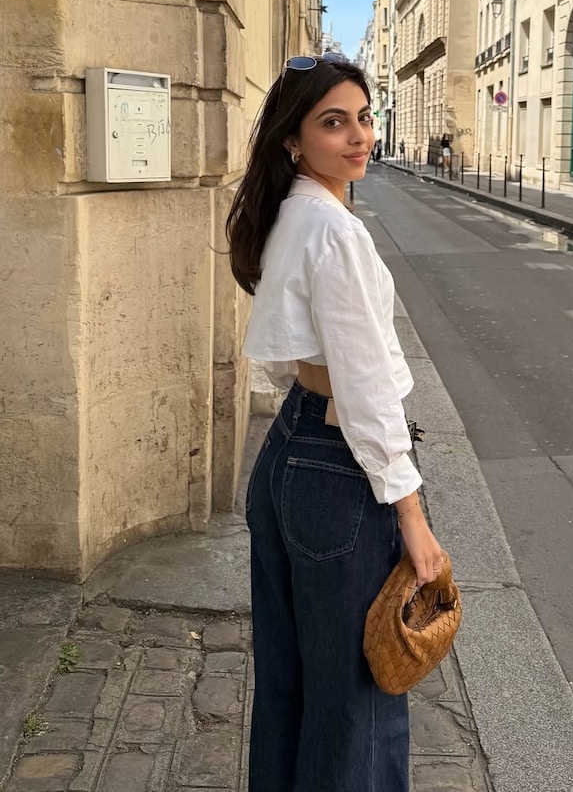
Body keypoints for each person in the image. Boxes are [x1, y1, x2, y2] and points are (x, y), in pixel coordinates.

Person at [226, 52, 444, 792]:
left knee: (289, 681)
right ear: (293, 138)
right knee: (358, 696)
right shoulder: (334, 230)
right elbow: (365, 387)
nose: (359, 136)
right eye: (333, 122)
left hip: (290, 450)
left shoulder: (293, 210)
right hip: (338, 465)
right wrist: (409, 513)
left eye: (364, 117)